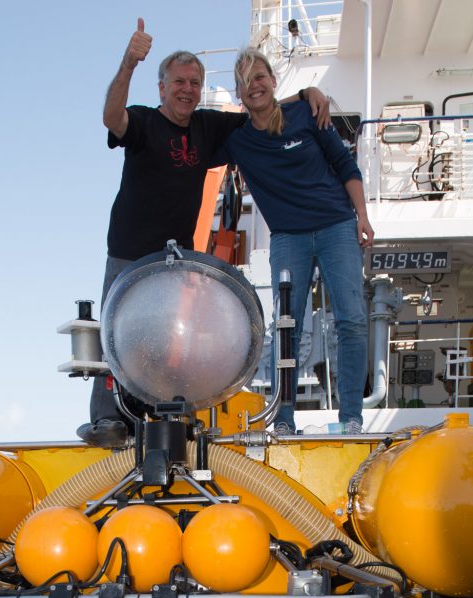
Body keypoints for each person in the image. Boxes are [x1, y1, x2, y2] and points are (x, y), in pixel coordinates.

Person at [77, 20, 331, 448]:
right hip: (128, 250)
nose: (188, 89)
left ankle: (157, 418)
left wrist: (307, 95)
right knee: (117, 335)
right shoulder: (142, 122)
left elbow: (262, 109)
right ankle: (108, 420)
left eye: (195, 82)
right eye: (179, 81)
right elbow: (110, 116)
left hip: (175, 259)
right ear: (161, 88)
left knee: (171, 341)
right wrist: (128, 62)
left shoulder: (209, 126)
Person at [213, 48, 374, 434]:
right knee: (287, 327)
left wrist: (363, 217)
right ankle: (283, 420)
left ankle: (351, 418)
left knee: (351, 320)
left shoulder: (306, 115)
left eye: (261, 77)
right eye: (247, 81)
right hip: (288, 238)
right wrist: (305, 90)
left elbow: (345, 164)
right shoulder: (238, 141)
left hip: (337, 225)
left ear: (272, 80)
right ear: (238, 92)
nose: (255, 86)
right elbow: (256, 112)